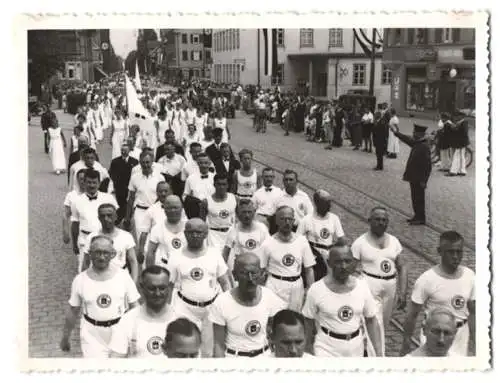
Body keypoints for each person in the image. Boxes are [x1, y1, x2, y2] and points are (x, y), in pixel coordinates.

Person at [60, 235, 140, 358]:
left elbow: (135, 307)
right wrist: (66, 337)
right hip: (92, 334)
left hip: (119, 332)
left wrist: (137, 336)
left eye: (105, 253)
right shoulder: (80, 280)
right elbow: (73, 311)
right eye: (97, 253)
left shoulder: (123, 277)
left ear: (113, 254)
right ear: (90, 254)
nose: (101, 257)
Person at [401, 231, 475, 356]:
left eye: (459, 251)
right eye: (451, 252)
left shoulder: (470, 276)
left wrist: (475, 342)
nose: (456, 256)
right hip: (435, 335)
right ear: (440, 251)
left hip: (460, 336)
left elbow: (473, 312)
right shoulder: (427, 279)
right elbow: (412, 315)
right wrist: (406, 343)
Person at [302, 244, 383, 357]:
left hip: (355, 347)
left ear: (353, 262)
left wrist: (379, 353)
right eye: (338, 262)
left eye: (347, 261)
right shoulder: (316, 290)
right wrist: (307, 350)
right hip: (326, 348)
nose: (343, 266)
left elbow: (371, 320)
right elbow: (308, 321)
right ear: (329, 263)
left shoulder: (362, 287)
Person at [166, 218, 232, 357]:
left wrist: (230, 305)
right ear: (185, 233)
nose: (195, 235)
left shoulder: (214, 254)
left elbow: (225, 282)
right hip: (185, 309)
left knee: (209, 351)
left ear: (206, 233)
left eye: (199, 232)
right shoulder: (175, 256)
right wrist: (166, 311)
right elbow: (169, 285)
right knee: (187, 349)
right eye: (191, 232)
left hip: (211, 309)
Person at [351, 206, 407, 356]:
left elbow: (402, 267)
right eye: (377, 219)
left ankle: (369, 350)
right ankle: (378, 357)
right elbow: (350, 268)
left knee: (385, 322)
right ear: (369, 221)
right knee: (376, 322)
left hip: (390, 287)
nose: (381, 223)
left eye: (384, 220)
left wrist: (403, 291)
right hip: (370, 286)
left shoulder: (394, 241)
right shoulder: (360, 243)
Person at [209, 252, 286, 357]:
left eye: (254, 273)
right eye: (244, 273)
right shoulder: (222, 302)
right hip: (234, 359)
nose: (250, 279)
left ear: (261, 273)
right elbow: (218, 344)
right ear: (235, 275)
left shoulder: (269, 297)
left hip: (264, 358)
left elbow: (279, 331)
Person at [108, 266, 176, 358]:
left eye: (162, 288)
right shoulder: (128, 321)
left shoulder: (181, 320)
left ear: (169, 288)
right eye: (152, 288)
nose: (157, 293)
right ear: (141, 288)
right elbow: (115, 359)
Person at [71, 169, 119, 272]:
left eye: (94, 182)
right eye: (89, 182)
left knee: (107, 269)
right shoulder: (77, 201)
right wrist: (75, 243)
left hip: (104, 239)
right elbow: (75, 223)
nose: (92, 185)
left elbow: (115, 220)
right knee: (84, 270)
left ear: (99, 183)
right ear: (83, 182)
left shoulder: (108, 198)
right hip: (84, 240)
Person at [82, 204, 139, 283]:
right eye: (102, 216)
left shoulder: (126, 236)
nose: (106, 219)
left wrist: (133, 283)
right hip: (98, 278)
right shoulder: (91, 237)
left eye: (109, 215)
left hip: (120, 278)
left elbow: (133, 261)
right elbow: (86, 262)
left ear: (116, 217)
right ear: (99, 218)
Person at [297, 189, 346, 281]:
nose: (329, 206)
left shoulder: (334, 218)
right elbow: (297, 240)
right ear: (317, 203)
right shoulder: (306, 220)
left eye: (329, 202)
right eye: (326, 202)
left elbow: (342, 240)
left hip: (329, 256)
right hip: (313, 256)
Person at [390, 123, 432, 225]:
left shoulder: (424, 146)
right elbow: (407, 139)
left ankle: (421, 218)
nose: (412, 134)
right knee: (415, 197)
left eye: (414, 132)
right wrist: (396, 133)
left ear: (419, 134)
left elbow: (428, 166)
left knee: (419, 198)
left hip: (419, 178)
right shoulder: (418, 142)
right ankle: (417, 215)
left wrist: (424, 180)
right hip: (414, 176)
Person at [125, 151, 166, 241]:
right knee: (141, 238)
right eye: (143, 162)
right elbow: (131, 198)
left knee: (156, 236)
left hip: (155, 210)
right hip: (140, 212)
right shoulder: (134, 177)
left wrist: (155, 208)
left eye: (147, 162)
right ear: (140, 163)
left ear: (152, 162)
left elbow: (163, 196)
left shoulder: (160, 177)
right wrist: (127, 217)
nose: (145, 165)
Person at [223, 200, 270, 274]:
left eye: (249, 212)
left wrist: (265, 270)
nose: (247, 215)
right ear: (238, 214)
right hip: (241, 270)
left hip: (258, 268)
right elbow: (226, 252)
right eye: (244, 212)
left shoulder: (262, 228)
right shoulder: (233, 230)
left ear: (254, 213)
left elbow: (268, 250)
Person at [146, 195, 187, 267]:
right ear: (164, 209)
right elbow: (151, 252)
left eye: (176, 207)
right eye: (169, 208)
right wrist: (149, 272)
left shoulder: (189, 226)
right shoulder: (157, 229)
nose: (173, 210)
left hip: (185, 268)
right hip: (165, 267)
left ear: (181, 208)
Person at [206, 174, 237, 254]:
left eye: (224, 184)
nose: (221, 187)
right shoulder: (206, 201)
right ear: (214, 185)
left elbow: (239, 218)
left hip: (230, 234)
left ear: (227, 185)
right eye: (219, 184)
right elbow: (202, 223)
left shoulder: (234, 198)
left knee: (230, 262)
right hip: (213, 235)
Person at [109, 142, 139, 223]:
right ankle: (118, 220)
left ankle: (127, 220)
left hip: (130, 187)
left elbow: (137, 174)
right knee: (120, 205)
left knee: (129, 204)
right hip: (119, 187)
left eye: (125, 150)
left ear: (129, 151)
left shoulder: (134, 161)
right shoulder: (115, 161)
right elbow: (111, 173)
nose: (123, 152)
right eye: (122, 150)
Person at [183, 153, 215, 219]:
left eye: (206, 163)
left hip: (212, 211)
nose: (203, 165)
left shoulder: (215, 178)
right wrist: (193, 202)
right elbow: (184, 196)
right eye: (201, 163)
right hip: (196, 212)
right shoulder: (190, 178)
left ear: (210, 163)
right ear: (197, 163)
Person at [251, 167, 283, 232]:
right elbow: (253, 209)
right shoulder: (257, 193)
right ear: (262, 177)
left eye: (271, 176)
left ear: (274, 177)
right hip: (261, 220)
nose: (269, 179)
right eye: (266, 176)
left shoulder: (279, 192)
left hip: (274, 220)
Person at [62, 169, 87, 249]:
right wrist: (65, 231)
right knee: (81, 256)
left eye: (85, 179)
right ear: (77, 180)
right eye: (81, 179)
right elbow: (66, 214)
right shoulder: (71, 195)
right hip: (78, 230)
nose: (83, 181)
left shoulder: (98, 195)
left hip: (93, 229)